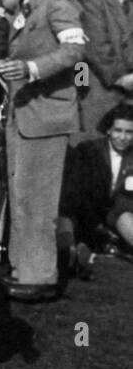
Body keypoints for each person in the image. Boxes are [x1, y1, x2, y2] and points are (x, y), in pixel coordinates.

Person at [0, 0, 85, 301]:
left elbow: (76, 50)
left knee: (38, 200)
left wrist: (32, 68)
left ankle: (39, 275)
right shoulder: (33, 1)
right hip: (28, 114)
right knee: (23, 197)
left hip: (45, 117)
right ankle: (23, 269)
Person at [63, 102, 133, 258]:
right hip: (89, 213)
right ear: (109, 130)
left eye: (129, 132)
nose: (122, 137)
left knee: (124, 213)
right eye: (118, 131)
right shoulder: (89, 151)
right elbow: (78, 191)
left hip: (120, 213)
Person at [78, 0, 133, 142]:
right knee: (95, 145)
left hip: (127, 91)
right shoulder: (95, 2)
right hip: (100, 88)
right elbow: (97, 47)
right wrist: (120, 77)